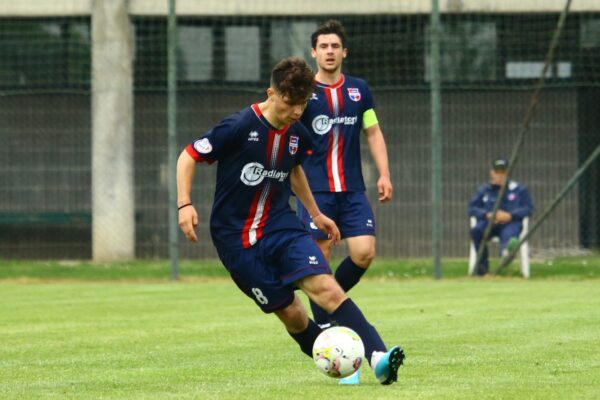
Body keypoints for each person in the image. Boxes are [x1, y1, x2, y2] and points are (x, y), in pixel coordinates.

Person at [177, 57, 404, 385]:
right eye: (289, 103)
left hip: (281, 226)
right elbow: (188, 155)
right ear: (271, 93)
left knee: (326, 287)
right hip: (236, 240)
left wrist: (315, 213)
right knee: (292, 313)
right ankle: (338, 362)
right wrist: (185, 203)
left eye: (301, 104)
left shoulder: (296, 133)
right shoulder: (239, 126)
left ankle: (377, 357)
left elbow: (294, 168)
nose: (296, 112)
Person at [296, 20, 393, 384]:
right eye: (324, 46)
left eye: (335, 45)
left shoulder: (359, 90)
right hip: (316, 192)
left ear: (344, 52)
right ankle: (334, 346)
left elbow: (373, 131)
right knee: (318, 263)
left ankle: (327, 311)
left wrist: (384, 174)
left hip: (352, 189)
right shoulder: (304, 92)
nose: (330, 51)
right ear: (314, 53)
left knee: (364, 253)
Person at [468, 158, 534, 276]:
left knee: (510, 233)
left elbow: (528, 208)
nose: (499, 175)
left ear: (507, 173)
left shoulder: (519, 189)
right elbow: (472, 208)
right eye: (497, 172)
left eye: (502, 172)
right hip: (489, 223)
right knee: (476, 231)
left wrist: (510, 215)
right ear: (492, 173)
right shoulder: (484, 190)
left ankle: (507, 251)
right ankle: (482, 270)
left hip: (510, 223)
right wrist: (486, 215)